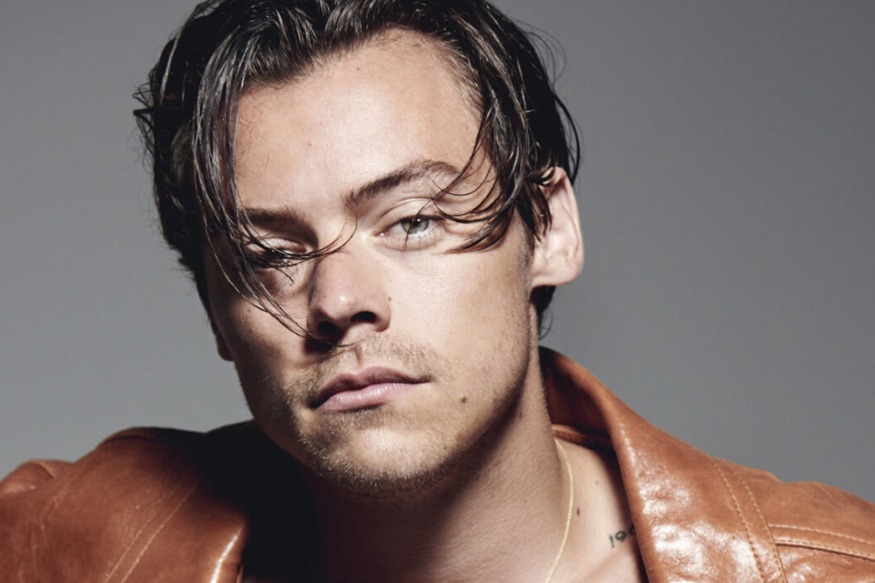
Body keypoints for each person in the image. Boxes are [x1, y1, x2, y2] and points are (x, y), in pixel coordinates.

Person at [1, 1, 872, 581]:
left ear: (548, 228)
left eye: (412, 220)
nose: (339, 298)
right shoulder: (83, 544)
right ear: (214, 312)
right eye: (270, 253)